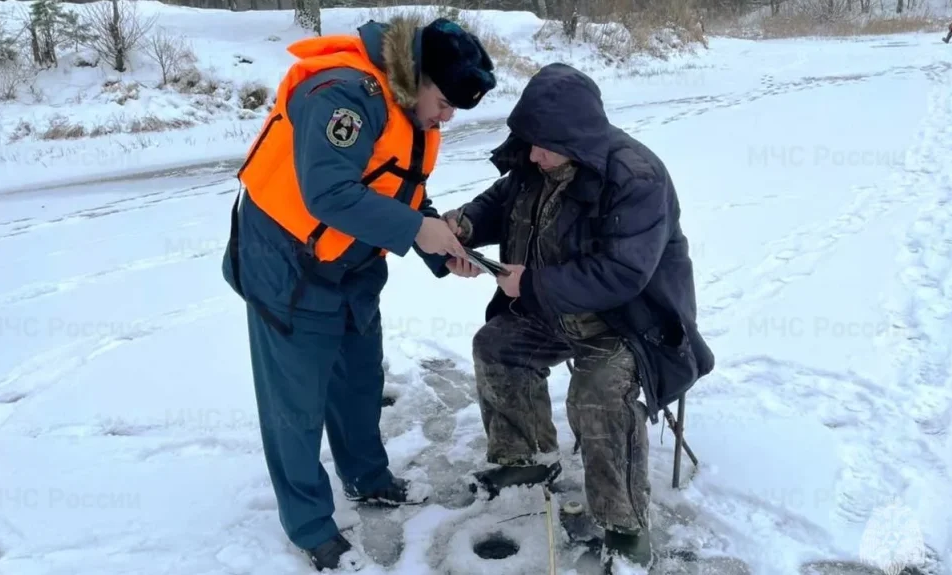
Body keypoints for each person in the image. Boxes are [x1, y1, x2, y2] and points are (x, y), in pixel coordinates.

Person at [220, 14, 496, 572]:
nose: (447, 117)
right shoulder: (342, 94)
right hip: (287, 264)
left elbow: (398, 186)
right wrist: (419, 230)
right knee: (295, 403)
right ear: (417, 75)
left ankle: (368, 478)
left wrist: (442, 250)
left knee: (358, 376)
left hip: (352, 263)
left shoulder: (413, 105)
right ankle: (310, 525)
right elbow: (328, 194)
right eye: (444, 103)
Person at [441, 62, 714, 571]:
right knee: (496, 346)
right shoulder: (536, 160)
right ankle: (525, 461)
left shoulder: (636, 178)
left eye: (542, 144)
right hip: (552, 310)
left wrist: (532, 284)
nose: (532, 154)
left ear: (575, 137)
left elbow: (623, 272)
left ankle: (624, 526)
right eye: (527, 142)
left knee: (595, 394)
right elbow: (501, 202)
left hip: (630, 326)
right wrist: (465, 226)